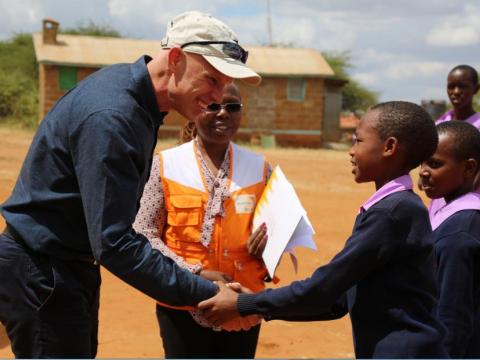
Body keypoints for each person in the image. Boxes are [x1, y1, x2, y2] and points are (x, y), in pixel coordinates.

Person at [0, 11, 261, 359]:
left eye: (226, 84)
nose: (217, 97)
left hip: (61, 265)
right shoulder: (113, 117)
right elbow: (114, 242)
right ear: (176, 58)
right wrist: (204, 290)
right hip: (45, 272)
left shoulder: (136, 99)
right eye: (211, 79)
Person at [199, 101, 448, 358]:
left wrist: (244, 304)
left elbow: (323, 289)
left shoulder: (390, 214)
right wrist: (256, 304)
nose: (351, 151)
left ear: (389, 147)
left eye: (358, 141)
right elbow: (337, 299)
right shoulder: (397, 208)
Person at [133, 83, 270, 359]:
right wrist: (194, 274)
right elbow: (144, 233)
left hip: (241, 301)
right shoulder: (166, 164)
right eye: (213, 106)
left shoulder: (260, 168)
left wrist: (267, 247)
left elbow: (279, 231)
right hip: (182, 300)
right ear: (195, 110)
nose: (223, 113)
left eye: (232, 107)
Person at [419, 121, 480, 358]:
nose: (423, 171)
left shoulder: (460, 234)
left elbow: (453, 318)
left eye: (435, 164)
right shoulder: (448, 209)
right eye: (422, 162)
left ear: (468, 168)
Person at [427, 65, 480, 224]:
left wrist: (464, 195)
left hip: (470, 201)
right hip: (441, 198)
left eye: (462, 86)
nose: (456, 91)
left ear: (476, 89)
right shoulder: (440, 124)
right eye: (451, 86)